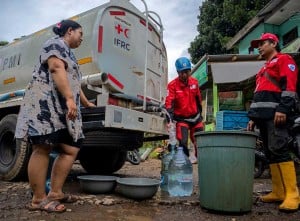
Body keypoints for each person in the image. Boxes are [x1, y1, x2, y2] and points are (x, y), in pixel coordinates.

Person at [15, 20, 95, 213]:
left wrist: (85, 103)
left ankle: (56, 193)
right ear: (69, 31)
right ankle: (38, 200)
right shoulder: (55, 43)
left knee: (71, 148)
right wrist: (69, 99)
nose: (82, 38)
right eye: (80, 33)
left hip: (60, 107)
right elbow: (56, 68)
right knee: (43, 146)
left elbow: (73, 81)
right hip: (45, 101)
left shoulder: (70, 54)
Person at [247, 33, 299, 211]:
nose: (259, 47)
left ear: (274, 43)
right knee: (270, 153)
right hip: (262, 118)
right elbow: (259, 95)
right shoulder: (263, 68)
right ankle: (278, 191)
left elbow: (290, 86)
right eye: (258, 44)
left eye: (262, 43)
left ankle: (292, 194)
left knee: (280, 150)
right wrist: (253, 119)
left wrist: (283, 109)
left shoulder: (284, 60)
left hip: (277, 116)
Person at [165, 57, 204, 161]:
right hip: (182, 120)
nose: (185, 75)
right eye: (182, 73)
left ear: (190, 71)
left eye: (187, 72)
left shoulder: (194, 83)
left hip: (196, 117)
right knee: (183, 142)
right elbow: (169, 104)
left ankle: (201, 161)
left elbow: (199, 99)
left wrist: (200, 115)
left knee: (200, 142)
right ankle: (185, 163)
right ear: (178, 72)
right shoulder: (172, 85)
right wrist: (170, 120)